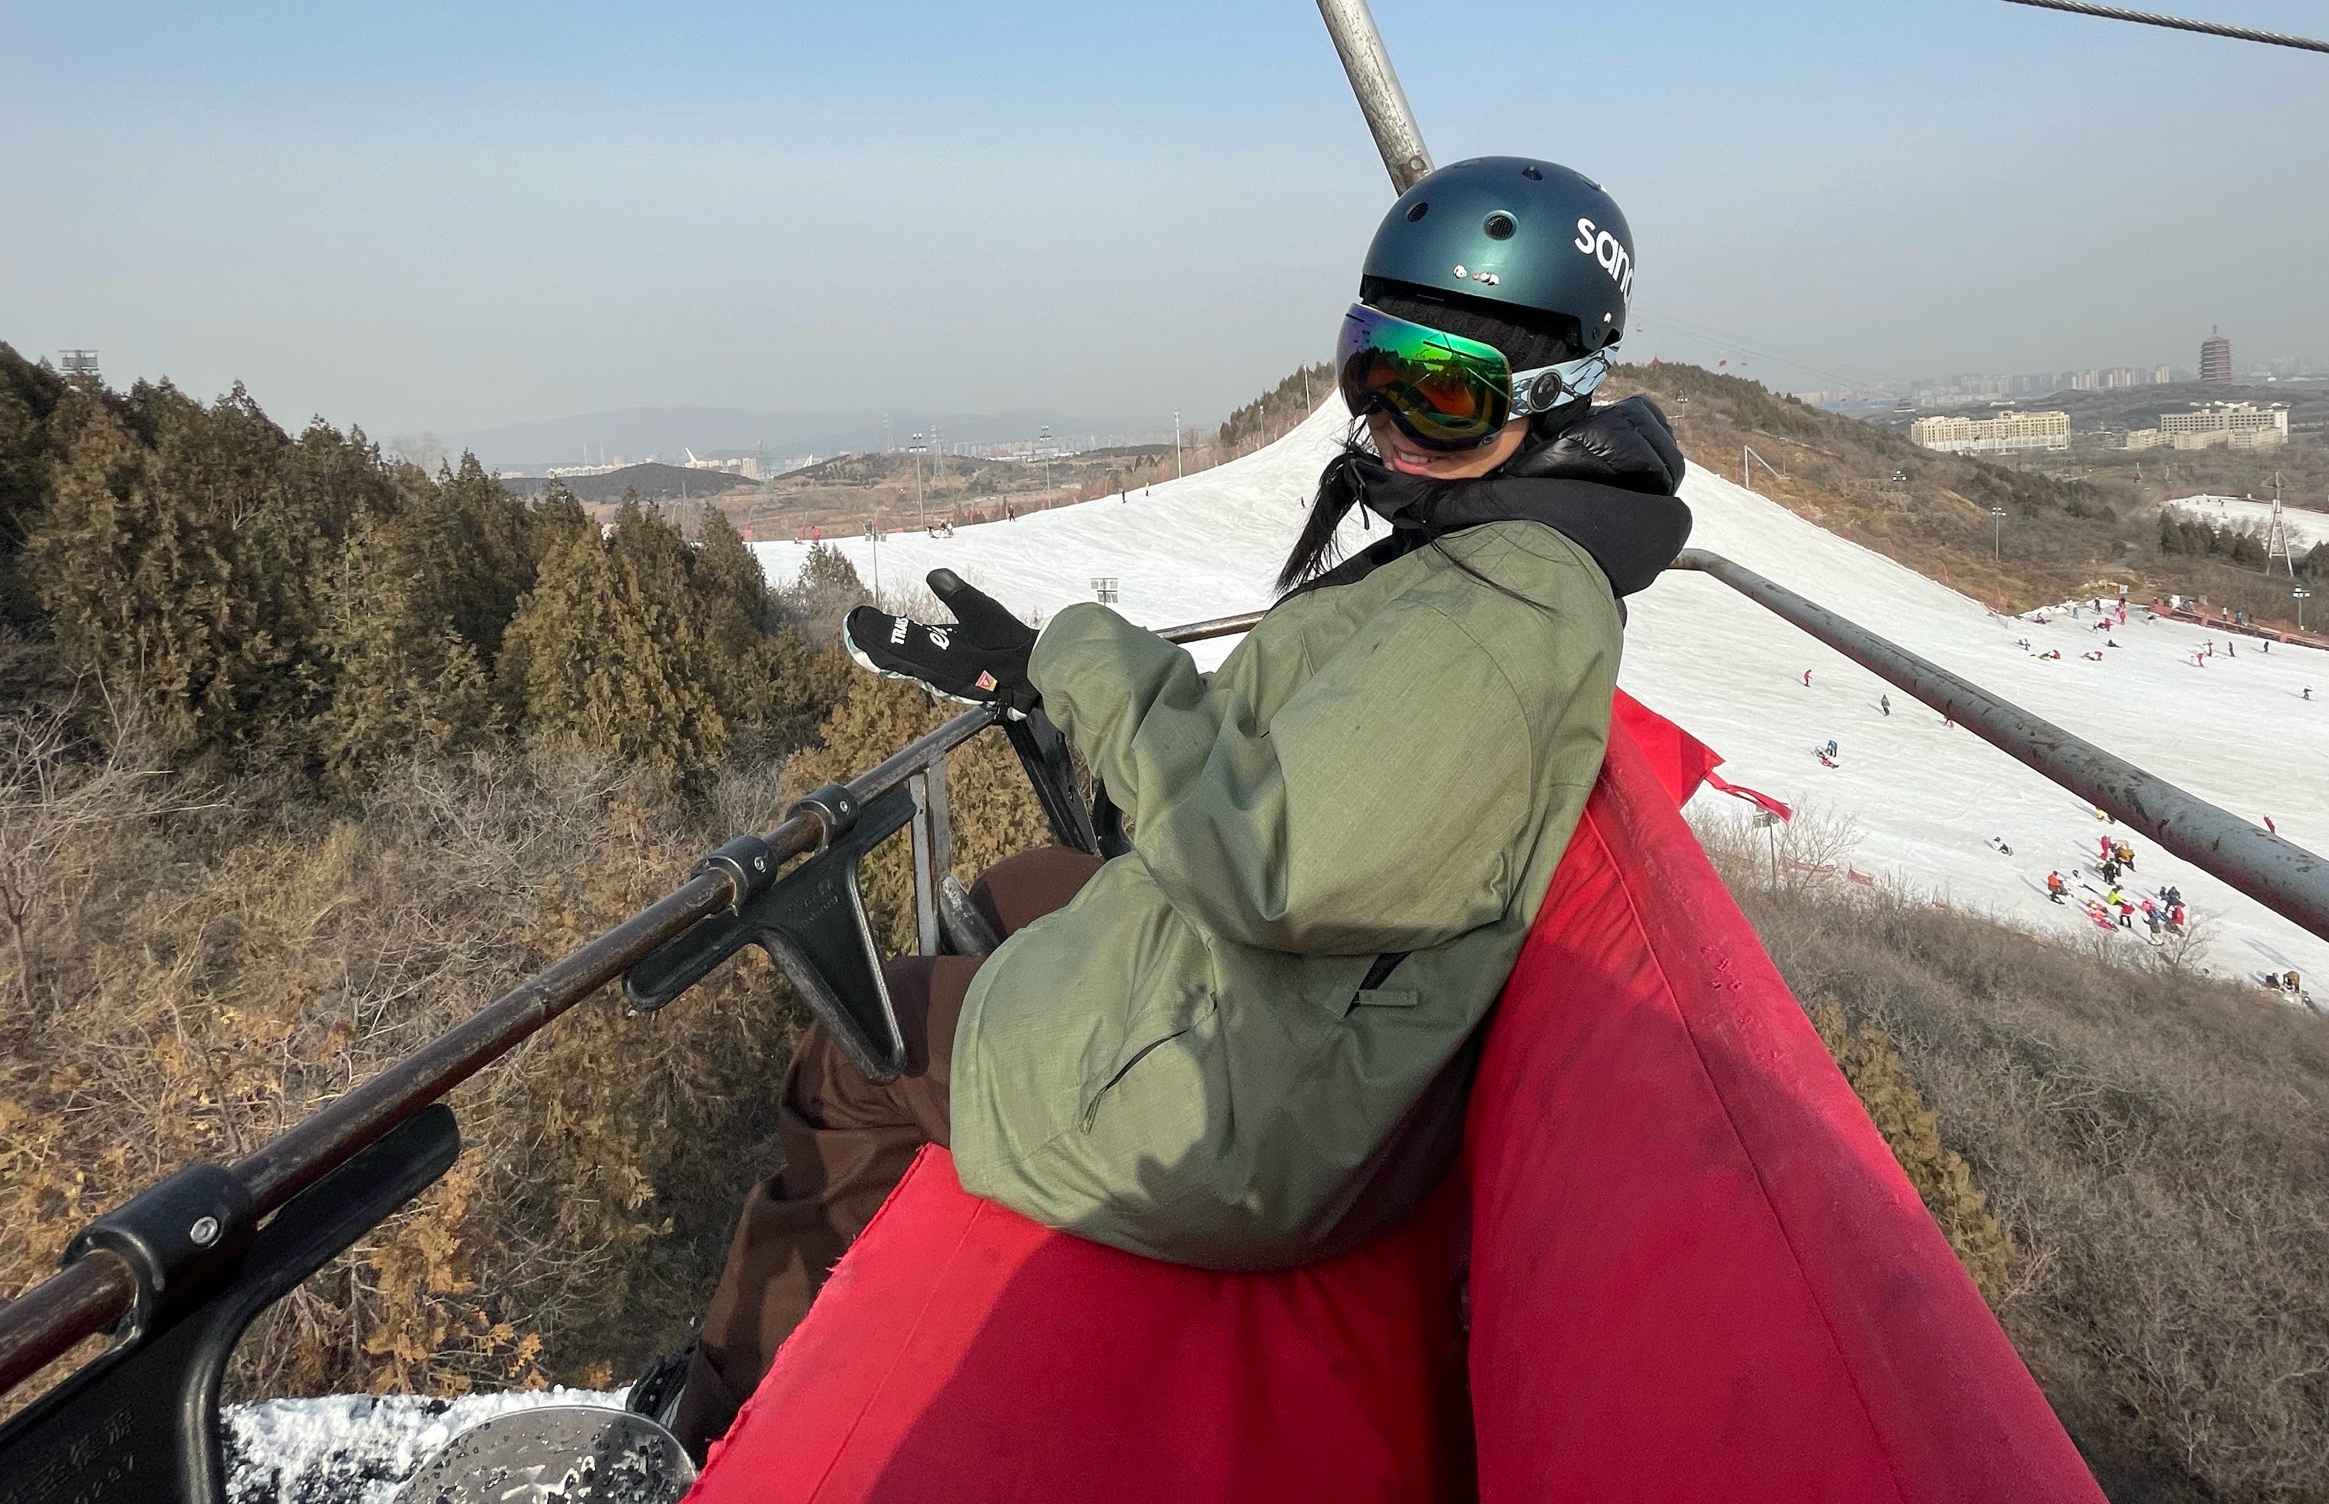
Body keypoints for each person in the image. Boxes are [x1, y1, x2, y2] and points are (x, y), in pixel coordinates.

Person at [650, 157, 1691, 1457]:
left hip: (1258, 1113)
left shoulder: (1502, 609)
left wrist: (1087, 656)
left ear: (1550, 400)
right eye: (1370, 367)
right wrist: (1041, 678)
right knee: (1019, 884)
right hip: (1308, 1014)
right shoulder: (1492, 548)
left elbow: (1279, 857)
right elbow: (1321, 745)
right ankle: (950, 1119)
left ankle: (717, 1431)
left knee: (844, 1053)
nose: (1390, 422)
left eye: (1444, 391)